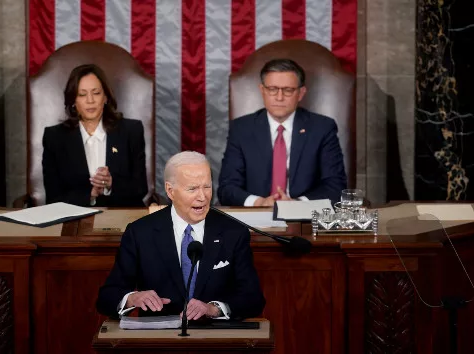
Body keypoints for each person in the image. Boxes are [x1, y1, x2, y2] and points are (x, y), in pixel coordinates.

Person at [96, 151, 265, 320]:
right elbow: (107, 297)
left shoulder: (233, 232)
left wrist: (214, 309)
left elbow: (253, 299)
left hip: (215, 337)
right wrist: (132, 298)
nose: (202, 197)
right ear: (171, 191)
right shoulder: (140, 233)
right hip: (159, 340)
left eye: (207, 187)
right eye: (192, 189)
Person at [217, 58, 347, 206]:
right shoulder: (241, 129)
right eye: (272, 89)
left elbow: (335, 186)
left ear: (301, 93)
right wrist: (259, 202)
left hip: (303, 218)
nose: (279, 97)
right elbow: (227, 188)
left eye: (288, 90)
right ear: (262, 90)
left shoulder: (322, 128)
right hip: (254, 218)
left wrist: (297, 204)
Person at [42, 64, 148, 207]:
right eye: (82, 94)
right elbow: (53, 197)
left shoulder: (131, 131)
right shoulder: (55, 138)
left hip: (122, 215)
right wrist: (90, 194)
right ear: (73, 101)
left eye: (96, 93)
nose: (90, 100)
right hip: (75, 218)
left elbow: (140, 188)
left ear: (105, 97)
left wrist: (111, 184)